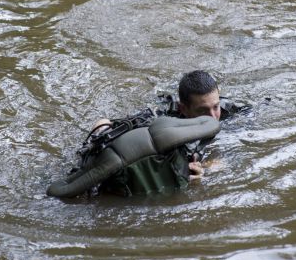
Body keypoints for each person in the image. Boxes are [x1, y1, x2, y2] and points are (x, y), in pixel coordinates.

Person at [92, 70, 242, 183]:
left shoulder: (228, 110)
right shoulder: (162, 118)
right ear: (183, 109)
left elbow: (226, 160)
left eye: (215, 107)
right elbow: (103, 123)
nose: (212, 117)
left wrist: (204, 170)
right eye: (202, 111)